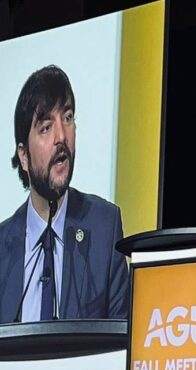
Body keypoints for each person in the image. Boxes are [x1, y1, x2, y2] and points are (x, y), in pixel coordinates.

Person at [0, 65, 129, 323]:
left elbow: (123, 342)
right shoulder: (3, 248)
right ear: (23, 156)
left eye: (68, 118)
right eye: (46, 127)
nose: (61, 136)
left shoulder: (104, 226)